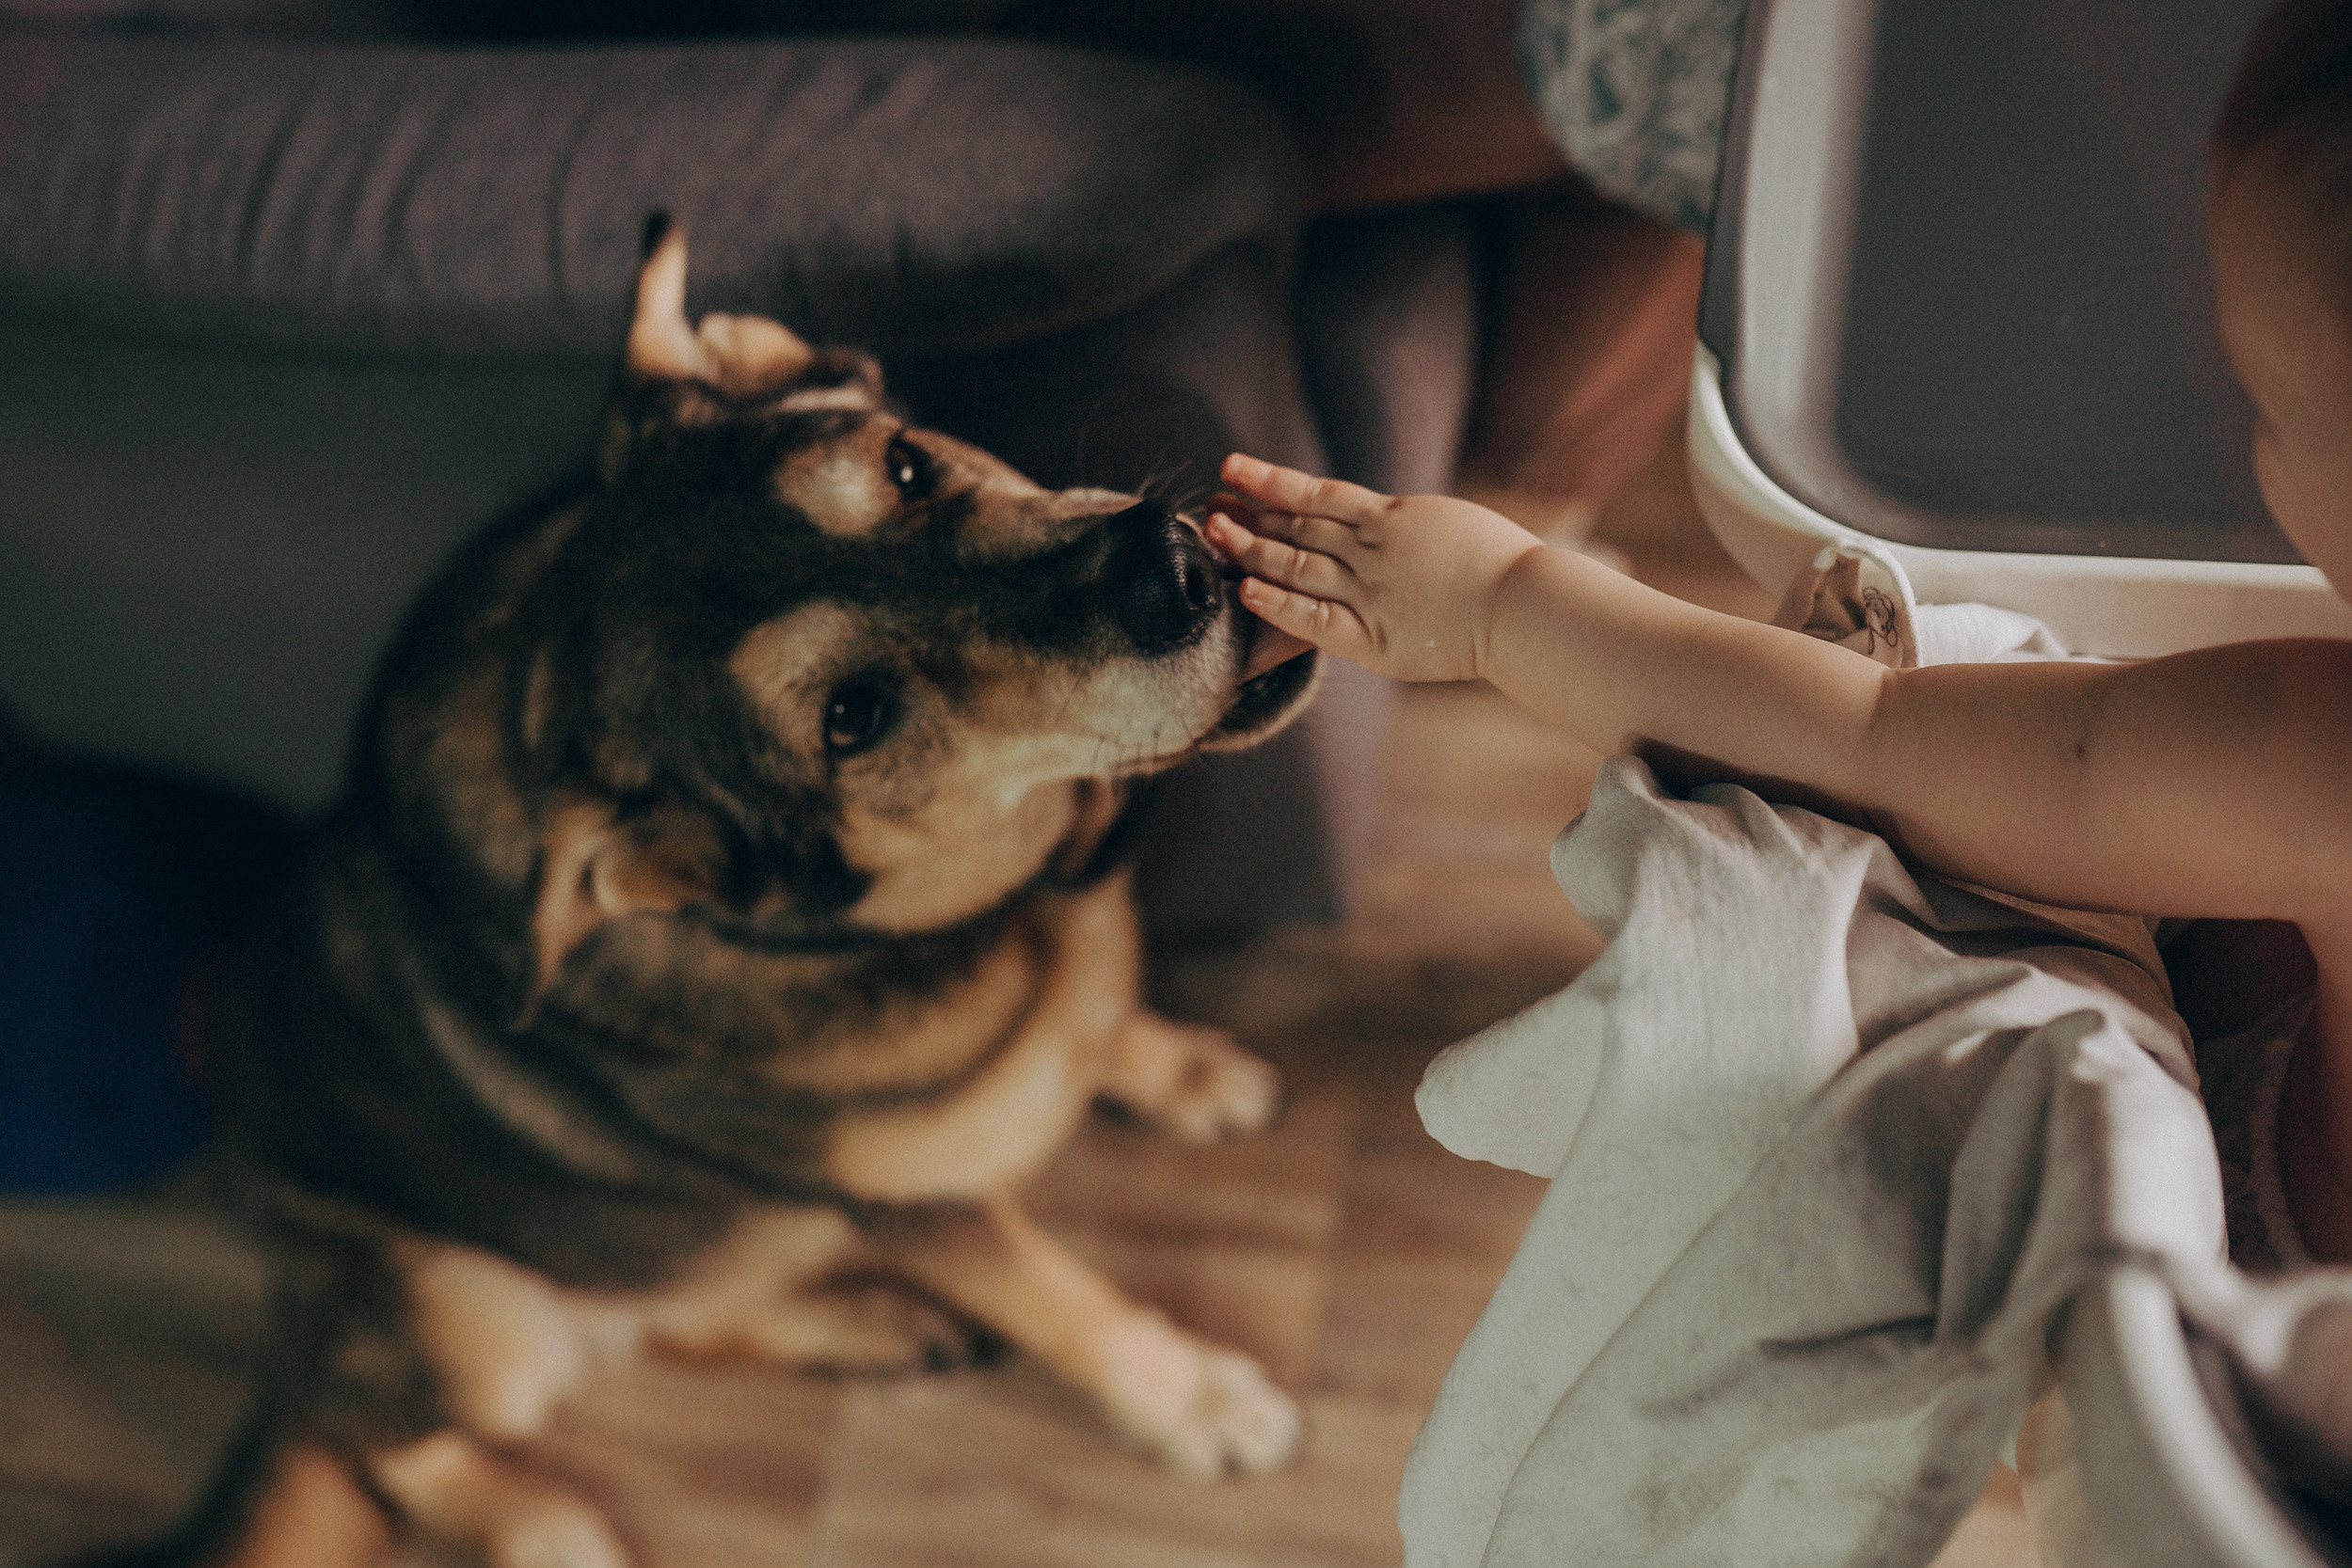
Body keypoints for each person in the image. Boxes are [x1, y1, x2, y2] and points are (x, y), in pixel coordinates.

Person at [1207, 0, 2352, 1259]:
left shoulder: (2318, 769)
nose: (2241, 451)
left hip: (2202, 1290)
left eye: (2270, 411)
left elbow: (1881, 743)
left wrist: (1500, 606)